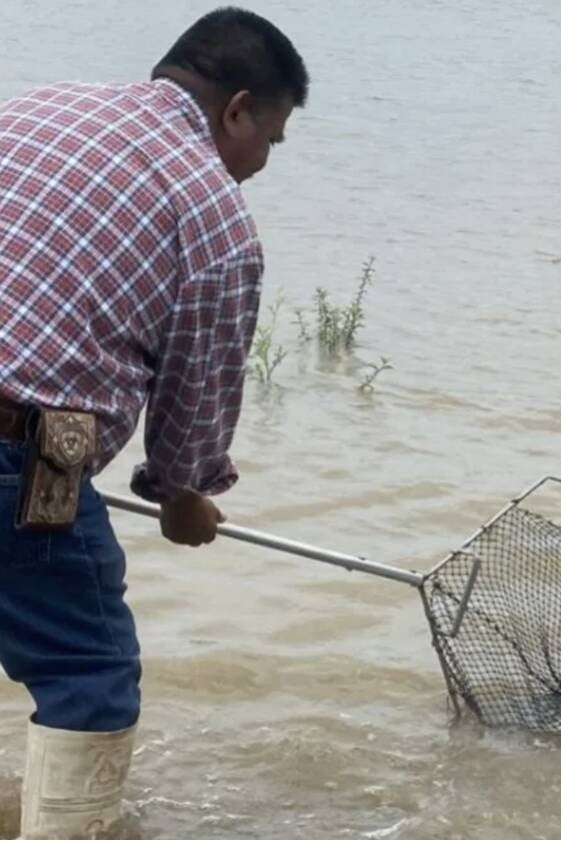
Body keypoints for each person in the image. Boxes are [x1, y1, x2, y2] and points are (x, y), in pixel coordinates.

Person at [0, 8, 308, 837]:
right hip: (21, 452)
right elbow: (192, 413)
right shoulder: (216, 219)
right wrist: (184, 496)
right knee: (87, 672)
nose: (262, 163)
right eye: (271, 138)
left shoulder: (40, 108)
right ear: (237, 109)